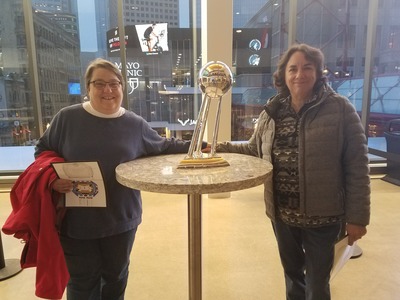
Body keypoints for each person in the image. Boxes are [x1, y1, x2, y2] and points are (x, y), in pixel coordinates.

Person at [215, 43, 370, 300]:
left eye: (307, 68)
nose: (300, 75)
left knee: (318, 283)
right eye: (293, 69)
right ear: (284, 75)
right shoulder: (273, 111)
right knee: (292, 275)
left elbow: (357, 167)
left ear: (319, 72)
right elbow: (255, 149)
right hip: (282, 215)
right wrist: (218, 148)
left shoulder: (341, 110)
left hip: (324, 216)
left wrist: (358, 218)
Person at [34, 58, 194, 299]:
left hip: (121, 218)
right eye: (99, 83)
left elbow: (165, 146)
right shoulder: (67, 119)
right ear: (88, 88)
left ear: (122, 87)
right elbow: (42, 152)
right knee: (81, 282)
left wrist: (201, 145)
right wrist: (52, 179)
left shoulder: (134, 124)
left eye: (114, 83)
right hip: (76, 221)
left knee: (116, 278)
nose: (107, 90)